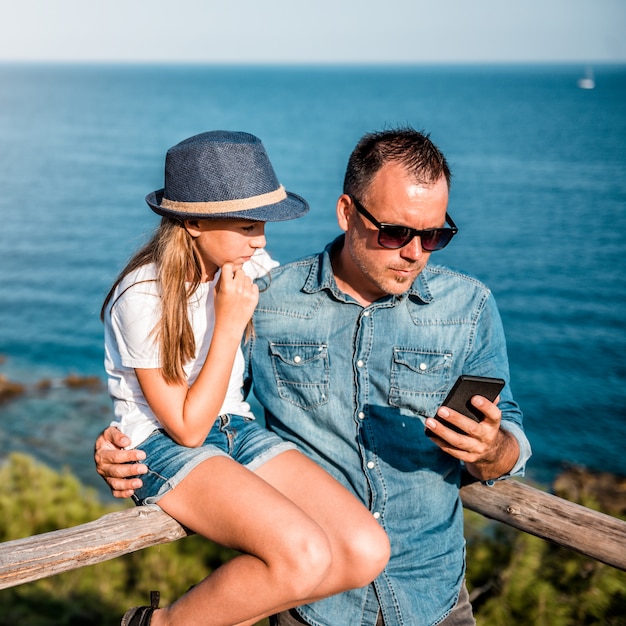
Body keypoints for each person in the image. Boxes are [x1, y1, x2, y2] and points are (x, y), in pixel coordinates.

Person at [96, 127, 531, 626]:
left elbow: (509, 430)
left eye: (434, 235)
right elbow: (175, 409)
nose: (415, 252)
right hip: (318, 611)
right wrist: (116, 447)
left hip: (432, 595)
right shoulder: (268, 295)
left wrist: (493, 448)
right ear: (347, 212)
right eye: (395, 232)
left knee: (366, 548)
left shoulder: (469, 306)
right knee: (301, 554)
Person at [100, 130, 390, 626]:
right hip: (162, 443)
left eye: (263, 224)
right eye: (248, 225)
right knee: (303, 554)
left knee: (365, 551)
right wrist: (230, 323)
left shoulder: (239, 261)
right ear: (192, 221)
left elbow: (315, 296)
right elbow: (188, 429)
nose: (261, 240)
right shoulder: (141, 296)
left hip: (234, 427)